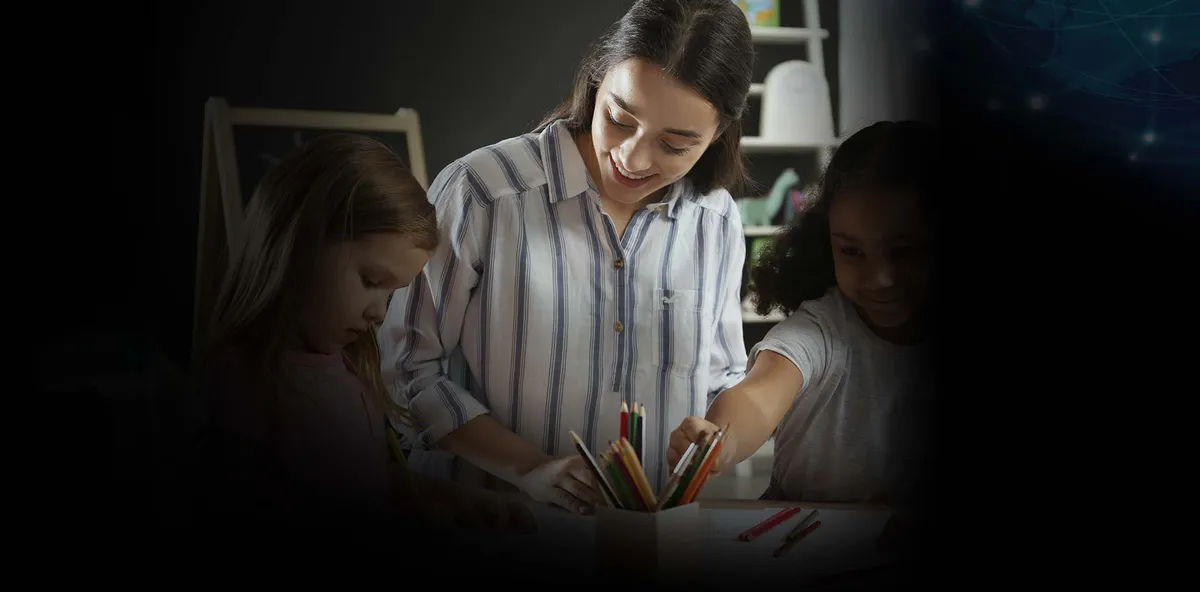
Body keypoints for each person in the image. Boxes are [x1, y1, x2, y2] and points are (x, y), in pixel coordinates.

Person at [381, 0, 754, 514]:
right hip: (489, 522)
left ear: (718, 134)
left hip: (646, 534)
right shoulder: (483, 193)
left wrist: (714, 436)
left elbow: (723, 376)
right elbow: (406, 370)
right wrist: (528, 468)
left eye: (674, 145)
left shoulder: (716, 220)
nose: (632, 158)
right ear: (596, 82)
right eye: (619, 119)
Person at [187, 133, 533, 553]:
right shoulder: (240, 383)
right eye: (371, 281)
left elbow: (368, 482)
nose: (379, 313)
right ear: (302, 242)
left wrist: (456, 498)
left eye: (392, 294)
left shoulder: (351, 368)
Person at [666, 120, 939, 506]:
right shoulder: (821, 329)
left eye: (904, 252)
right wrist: (720, 440)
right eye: (852, 252)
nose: (879, 279)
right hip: (794, 536)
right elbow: (759, 396)